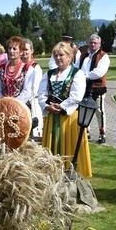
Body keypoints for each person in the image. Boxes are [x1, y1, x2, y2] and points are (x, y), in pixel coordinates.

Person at [38, 41, 91, 177]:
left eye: (61, 55)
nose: (58, 58)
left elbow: (76, 96)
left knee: (70, 147)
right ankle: (51, 175)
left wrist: (61, 106)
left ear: (69, 56)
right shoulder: (49, 74)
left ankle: (71, 176)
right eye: (56, 55)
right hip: (51, 117)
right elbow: (41, 94)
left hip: (69, 118)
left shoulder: (77, 73)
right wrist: (47, 106)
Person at [79, 33, 110, 144]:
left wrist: (83, 76)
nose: (93, 45)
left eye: (95, 43)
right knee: (84, 109)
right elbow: (76, 69)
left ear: (99, 44)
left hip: (98, 87)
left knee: (99, 111)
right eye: (91, 42)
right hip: (83, 87)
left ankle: (102, 133)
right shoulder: (83, 56)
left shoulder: (103, 56)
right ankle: (85, 132)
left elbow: (99, 72)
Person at [21, 38, 44, 139]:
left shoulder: (35, 68)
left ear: (32, 50)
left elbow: (34, 90)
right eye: (22, 49)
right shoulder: (17, 67)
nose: (24, 52)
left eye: (26, 49)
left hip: (31, 103)